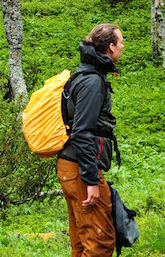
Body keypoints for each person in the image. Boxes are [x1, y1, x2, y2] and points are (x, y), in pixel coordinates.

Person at [57, 23, 124, 257]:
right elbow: (83, 132)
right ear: (111, 46)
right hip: (80, 170)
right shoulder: (93, 82)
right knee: (100, 242)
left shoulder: (87, 74)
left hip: (72, 167)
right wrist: (91, 180)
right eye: (121, 41)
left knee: (82, 243)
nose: (123, 46)